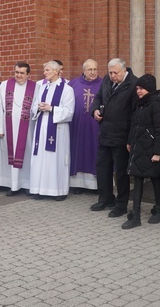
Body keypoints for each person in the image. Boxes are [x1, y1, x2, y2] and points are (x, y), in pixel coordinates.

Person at [89, 58, 138, 218]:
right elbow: (98, 97)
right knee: (102, 167)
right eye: (110, 72)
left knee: (121, 172)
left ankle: (121, 203)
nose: (112, 76)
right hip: (105, 132)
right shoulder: (106, 80)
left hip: (122, 134)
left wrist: (131, 139)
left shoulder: (133, 84)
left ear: (124, 71)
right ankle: (105, 198)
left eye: (115, 73)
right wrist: (95, 109)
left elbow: (134, 114)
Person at [122, 74, 160, 229]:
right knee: (138, 179)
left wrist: (158, 152)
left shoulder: (156, 105)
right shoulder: (139, 104)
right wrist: (129, 141)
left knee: (155, 178)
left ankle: (159, 210)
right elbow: (134, 125)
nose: (138, 91)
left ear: (149, 88)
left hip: (151, 149)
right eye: (137, 88)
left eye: (141, 88)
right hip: (138, 147)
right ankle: (136, 215)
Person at [29, 61, 75, 200]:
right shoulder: (42, 88)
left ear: (56, 71)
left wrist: (52, 109)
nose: (44, 73)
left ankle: (58, 191)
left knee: (56, 159)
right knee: (40, 157)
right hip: (41, 125)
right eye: (45, 70)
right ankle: (39, 189)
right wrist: (38, 107)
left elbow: (69, 112)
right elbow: (33, 107)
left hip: (58, 130)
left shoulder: (67, 89)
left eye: (47, 70)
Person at [0, 62, 39, 196]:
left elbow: (36, 106)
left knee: (26, 154)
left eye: (22, 73)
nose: (18, 75)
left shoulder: (36, 87)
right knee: (9, 154)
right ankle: (11, 185)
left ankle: (27, 184)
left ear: (28, 75)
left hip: (27, 129)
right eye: (16, 72)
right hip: (8, 129)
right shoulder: (5, 85)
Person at [68, 59, 102, 193]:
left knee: (95, 152)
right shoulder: (74, 84)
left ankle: (96, 185)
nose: (93, 72)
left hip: (96, 127)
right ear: (83, 71)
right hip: (78, 126)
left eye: (95, 69)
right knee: (78, 152)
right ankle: (78, 184)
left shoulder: (104, 83)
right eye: (89, 69)